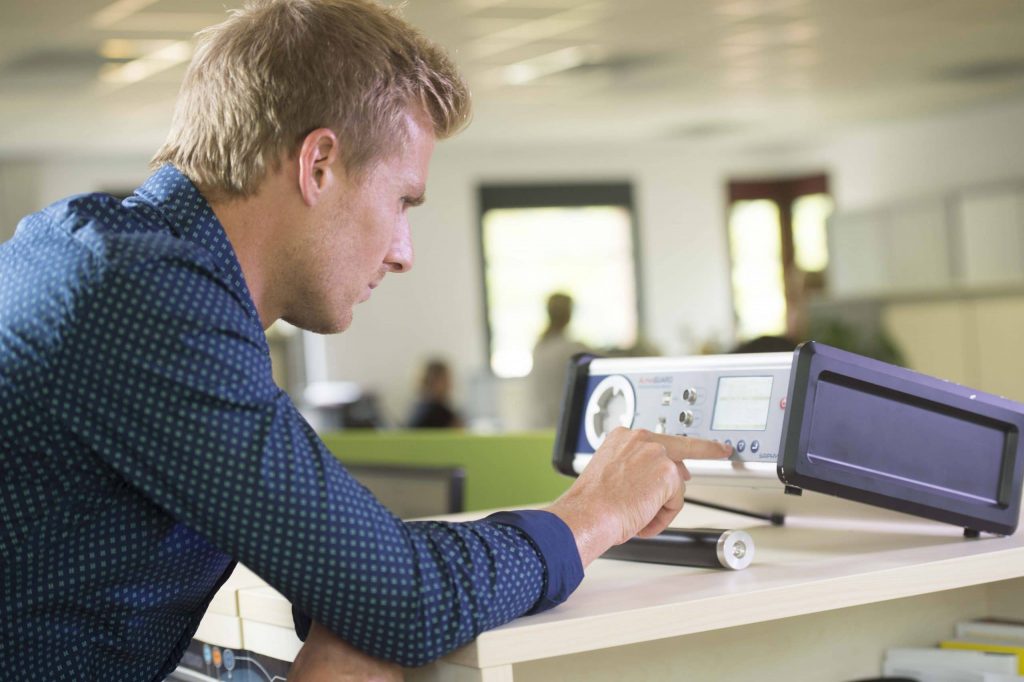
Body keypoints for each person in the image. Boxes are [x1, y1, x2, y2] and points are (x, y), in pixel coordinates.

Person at [0, 1, 732, 679]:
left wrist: (362, 589)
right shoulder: (146, 301)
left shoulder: (85, 247)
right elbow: (404, 601)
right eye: (401, 200)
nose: (403, 250)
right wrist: (592, 512)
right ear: (318, 164)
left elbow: (375, 583)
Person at [528, 292, 589, 428]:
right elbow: (604, 360)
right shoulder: (570, 349)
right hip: (556, 424)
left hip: (536, 423)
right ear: (569, 314)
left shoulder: (540, 346)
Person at [407, 358, 463, 428]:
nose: (450, 385)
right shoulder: (436, 412)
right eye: (446, 380)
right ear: (434, 381)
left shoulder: (418, 407)